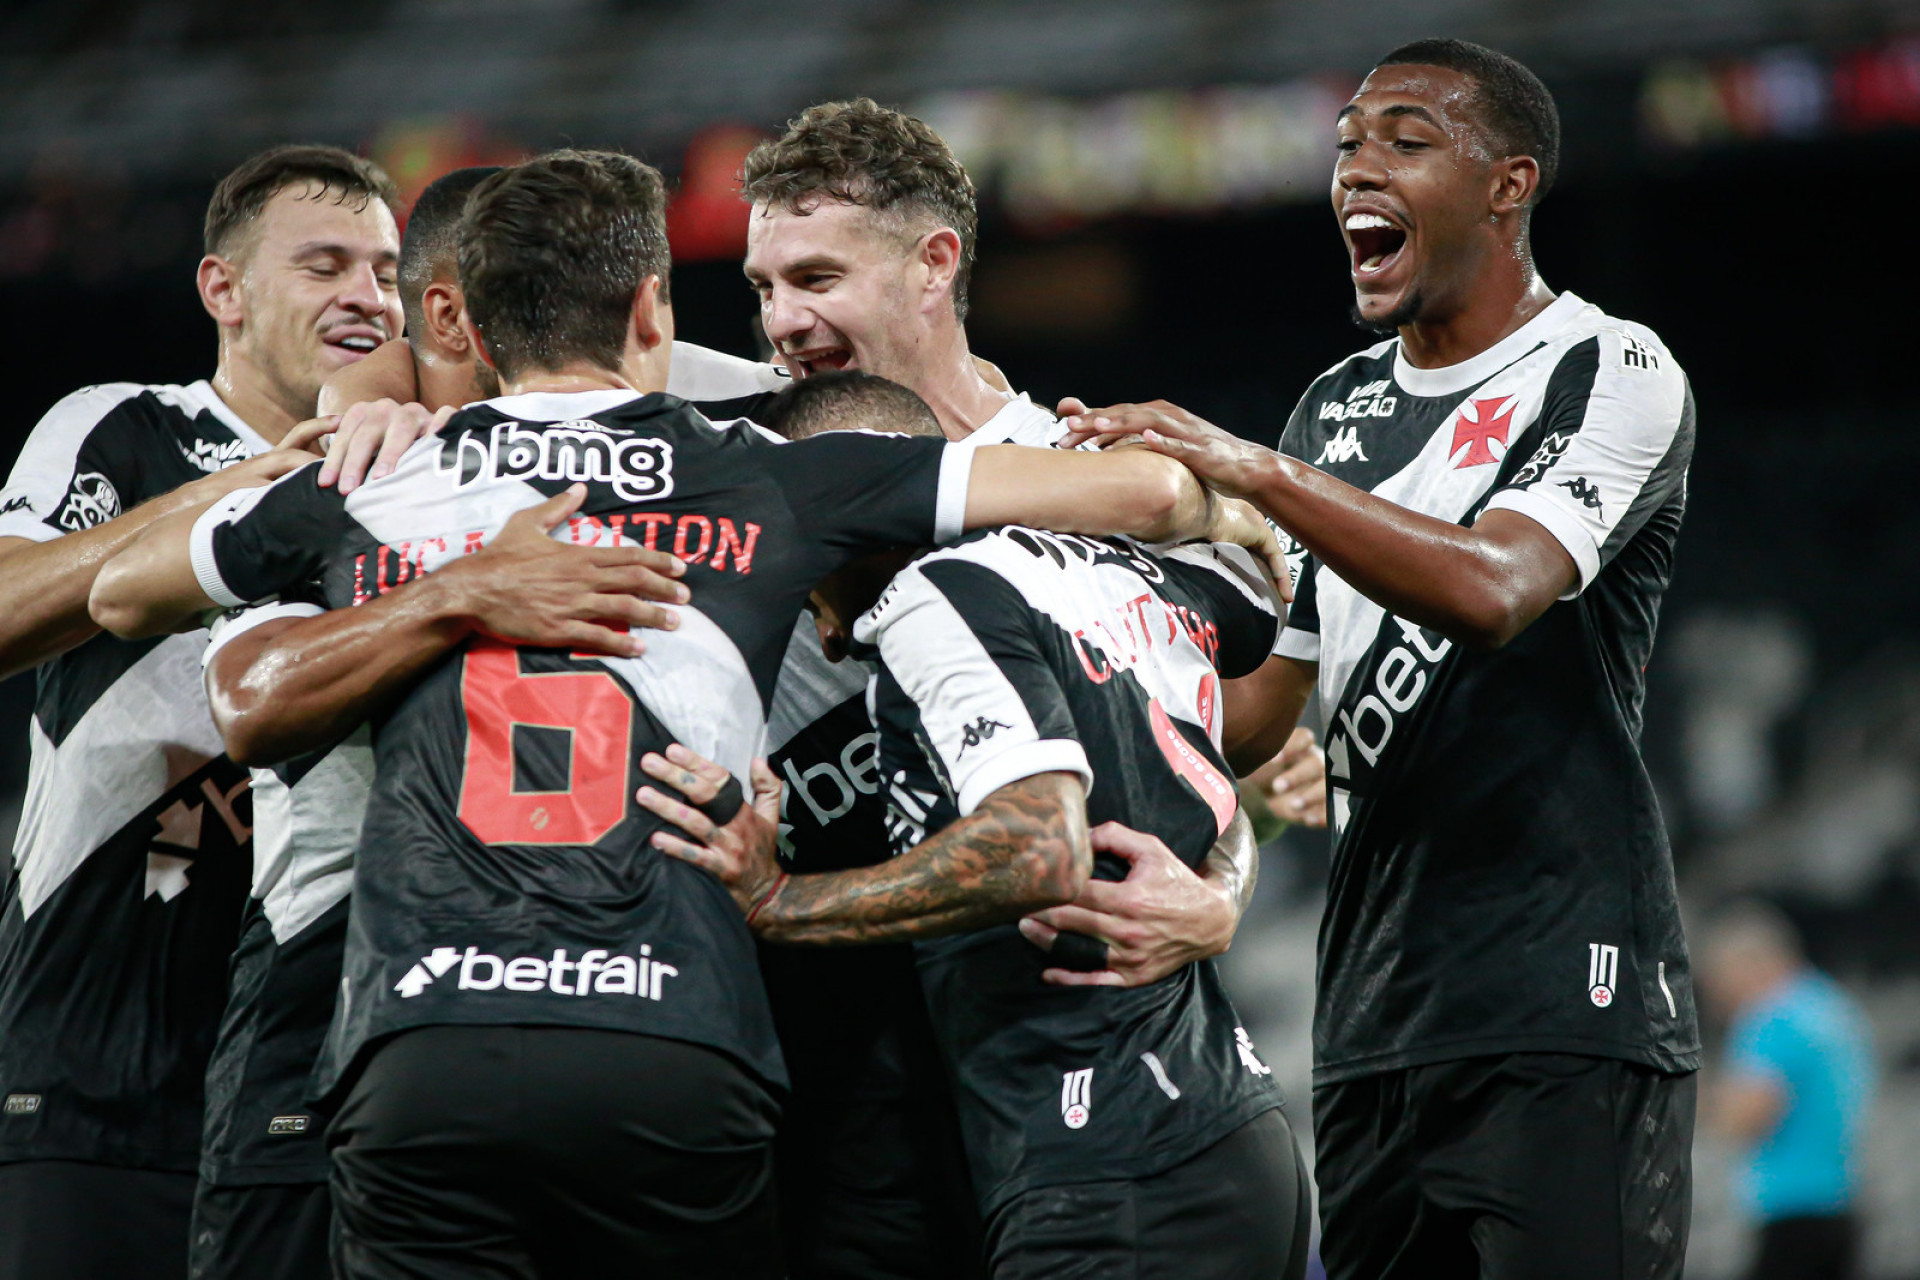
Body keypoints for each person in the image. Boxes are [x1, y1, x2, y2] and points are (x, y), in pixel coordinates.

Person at [89, 148, 1282, 1278]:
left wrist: (329, 464)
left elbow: (121, 590)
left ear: (469, 330)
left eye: (811, 279)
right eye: (764, 288)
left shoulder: (379, 479)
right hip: (686, 1032)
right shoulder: (771, 462)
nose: (784, 321)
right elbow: (1151, 491)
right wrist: (1231, 512)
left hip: (426, 1032)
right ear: (653, 310)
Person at [1060, 37, 1700, 1278]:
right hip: (1372, 1017)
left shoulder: (1610, 365)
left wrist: (1256, 472)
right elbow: (1262, 712)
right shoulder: (1334, 408)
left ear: (1508, 185)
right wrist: (1088, 632)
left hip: (1563, 994)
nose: (1358, 166)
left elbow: (1497, 588)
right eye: (1348, 142)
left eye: (1407, 140)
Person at [632, 399, 1310, 1277]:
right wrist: (1233, 515)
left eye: (811, 579)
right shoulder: (1104, 569)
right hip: (1223, 1125)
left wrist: (778, 900)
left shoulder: (933, 596)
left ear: (863, 503)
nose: (826, 635)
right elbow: (1258, 610)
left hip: (1105, 1156)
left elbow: (1037, 849)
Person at [181, 162, 687, 1280]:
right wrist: (445, 578)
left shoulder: (665, 421)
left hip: (561, 987)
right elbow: (153, 619)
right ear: (456, 315)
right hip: (335, 961)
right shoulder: (361, 470)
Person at [0, 144, 401, 1280]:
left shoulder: (411, 472)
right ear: (224, 289)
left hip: (312, 1076)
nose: (366, 296)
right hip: (94, 1066)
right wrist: (218, 504)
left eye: (384, 271)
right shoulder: (124, 429)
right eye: (324, 265)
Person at [1701, 902, 1874, 1280]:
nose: (1718, 998)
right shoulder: (1831, 1004)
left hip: (1790, 1208)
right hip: (1842, 1199)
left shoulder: (1770, 1017)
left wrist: (1702, 1106)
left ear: (1748, 964)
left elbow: (1746, 1117)